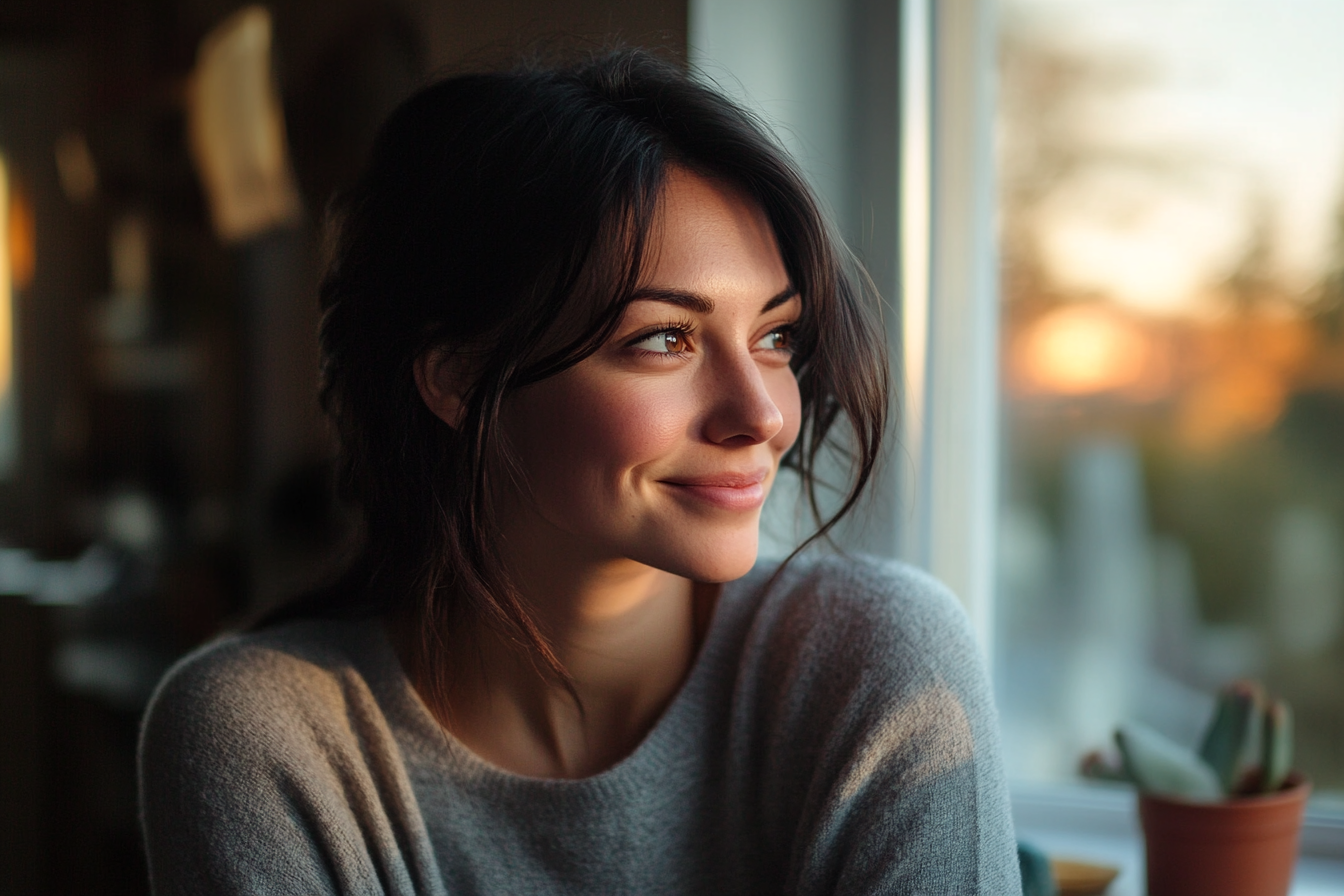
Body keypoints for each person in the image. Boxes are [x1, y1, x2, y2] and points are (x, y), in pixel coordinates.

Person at [138, 48, 1021, 895]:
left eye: (776, 337)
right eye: (663, 340)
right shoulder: (266, 734)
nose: (761, 414)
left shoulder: (877, 661)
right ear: (455, 376)